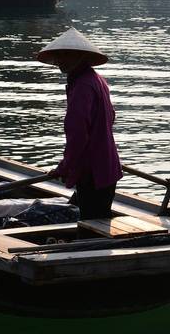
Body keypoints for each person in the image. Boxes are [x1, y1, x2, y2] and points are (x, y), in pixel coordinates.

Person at [37, 28, 122, 219]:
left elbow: (78, 134)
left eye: (66, 55)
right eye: (58, 56)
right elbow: (110, 118)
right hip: (107, 165)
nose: (60, 60)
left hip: (93, 170)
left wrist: (64, 167)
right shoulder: (96, 80)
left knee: (91, 225)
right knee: (98, 218)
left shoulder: (83, 85)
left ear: (80, 57)